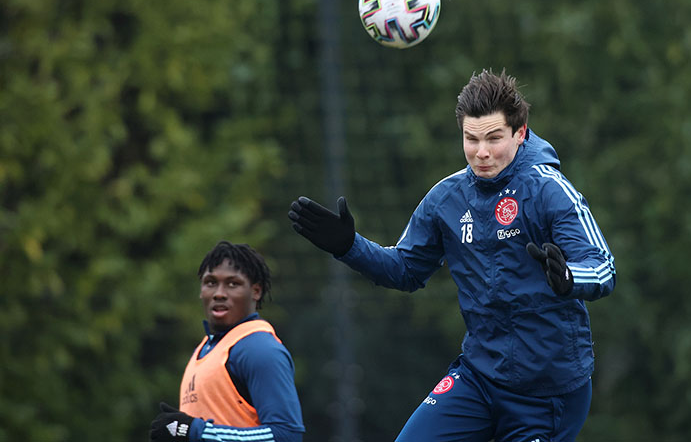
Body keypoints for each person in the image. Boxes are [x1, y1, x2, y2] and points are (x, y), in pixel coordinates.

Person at [288, 69, 616, 442]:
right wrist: (349, 247)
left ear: (520, 132)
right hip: (479, 380)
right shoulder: (446, 199)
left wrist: (571, 277)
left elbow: (603, 267)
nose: (482, 152)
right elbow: (405, 269)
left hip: (547, 395)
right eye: (471, 139)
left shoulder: (549, 190)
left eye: (494, 138)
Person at [150, 241, 306, 442]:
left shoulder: (259, 349)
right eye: (210, 283)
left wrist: (196, 431)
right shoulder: (207, 348)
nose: (219, 293)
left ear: (256, 291)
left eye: (233, 284)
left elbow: (288, 435)